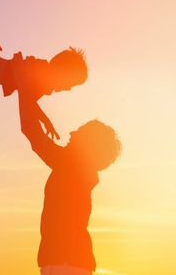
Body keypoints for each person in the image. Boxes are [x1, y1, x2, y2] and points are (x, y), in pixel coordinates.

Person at [16, 54, 121, 274]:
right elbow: (32, 131)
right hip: (69, 262)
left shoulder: (71, 167)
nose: (72, 132)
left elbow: (31, 132)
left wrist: (23, 83)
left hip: (65, 264)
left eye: (79, 132)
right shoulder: (77, 170)